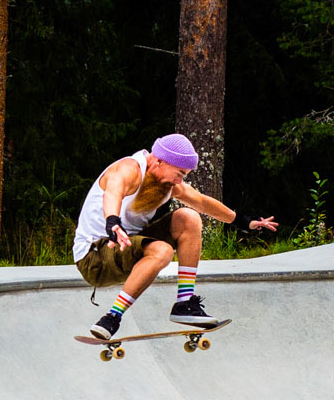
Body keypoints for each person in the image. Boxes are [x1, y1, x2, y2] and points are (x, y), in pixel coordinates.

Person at [73, 133, 277, 340]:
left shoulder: (168, 185)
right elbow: (113, 191)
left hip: (127, 247)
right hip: (96, 256)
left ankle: (184, 303)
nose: (180, 180)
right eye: (179, 173)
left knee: (189, 218)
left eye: (184, 175)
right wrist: (113, 222)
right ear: (160, 161)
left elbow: (202, 202)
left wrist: (242, 221)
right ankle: (112, 317)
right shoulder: (129, 169)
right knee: (162, 251)